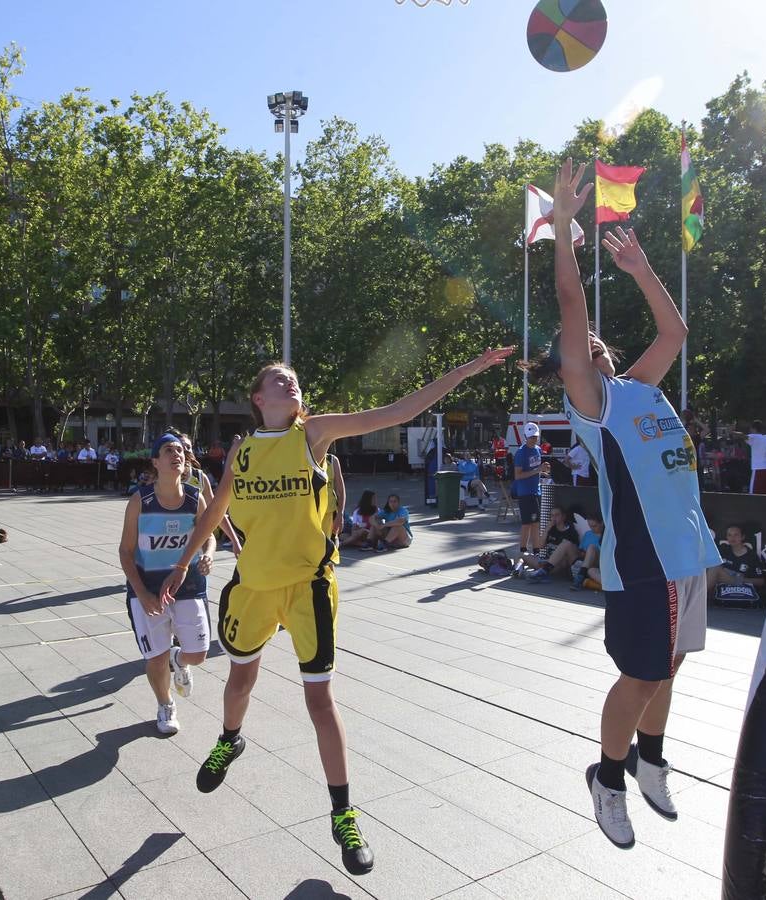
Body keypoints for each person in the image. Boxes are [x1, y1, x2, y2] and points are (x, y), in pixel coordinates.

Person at [159, 348, 512, 877]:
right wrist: (183, 563)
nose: (291, 384)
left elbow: (395, 413)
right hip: (255, 584)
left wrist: (466, 370)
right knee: (240, 682)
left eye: (295, 380)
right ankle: (230, 740)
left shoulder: (313, 434)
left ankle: (343, 813)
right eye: (280, 380)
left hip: (308, 587)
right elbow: (217, 508)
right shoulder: (245, 451)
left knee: (320, 700)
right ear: (259, 398)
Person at [534, 160, 721, 848]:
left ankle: (651, 757)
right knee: (642, 672)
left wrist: (641, 268)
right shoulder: (596, 404)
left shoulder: (642, 386)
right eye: (576, 346)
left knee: (668, 667)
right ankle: (607, 777)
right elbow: (570, 301)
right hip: (646, 559)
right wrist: (562, 230)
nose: (589, 339)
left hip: (688, 552)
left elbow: (673, 335)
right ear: (569, 367)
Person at [118, 434, 215, 734]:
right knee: (155, 657)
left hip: (188, 588)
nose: (176, 454)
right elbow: (125, 551)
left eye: (180, 450)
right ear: (156, 462)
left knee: (198, 655)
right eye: (167, 450)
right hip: (148, 592)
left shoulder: (193, 498)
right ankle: (165, 705)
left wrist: (209, 554)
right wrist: (141, 592)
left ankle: (180, 658)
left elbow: (209, 535)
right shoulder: (140, 500)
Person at [517, 505, 579, 581]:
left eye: (557, 515)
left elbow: (573, 553)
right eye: (552, 515)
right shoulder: (551, 529)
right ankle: (517, 570)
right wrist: (546, 530)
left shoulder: (570, 531)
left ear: (563, 516)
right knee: (523, 555)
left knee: (566, 544)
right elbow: (540, 546)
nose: (554, 518)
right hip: (547, 561)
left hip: (560, 564)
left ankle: (541, 572)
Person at [706, 524, 766, 602]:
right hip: (722, 584)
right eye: (729, 535)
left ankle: (696, 598)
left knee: (715, 569)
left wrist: (740, 579)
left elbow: (761, 582)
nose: (732, 538)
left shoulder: (751, 556)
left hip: (741, 586)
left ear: (742, 537)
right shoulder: (724, 550)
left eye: (736, 535)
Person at [512, 423, 543, 556]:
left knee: (536, 522)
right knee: (527, 523)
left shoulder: (538, 449)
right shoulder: (521, 452)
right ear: (525, 436)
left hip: (536, 490)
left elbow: (535, 470)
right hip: (525, 492)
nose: (533, 439)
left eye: (535, 437)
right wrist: (537, 470)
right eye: (531, 437)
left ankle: (536, 551)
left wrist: (543, 472)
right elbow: (518, 475)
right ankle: (523, 550)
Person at [736, 421, 766, 494]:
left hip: (758, 469)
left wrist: (732, 432)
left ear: (753, 429)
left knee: (755, 493)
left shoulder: (753, 437)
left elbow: (743, 435)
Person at [571, 513, 604, 590]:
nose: (592, 528)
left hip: (602, 563)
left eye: (594, 526)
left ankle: (581, 576)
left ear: (602, 523)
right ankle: (606, 587)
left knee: (591, 547)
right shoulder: (588, 534)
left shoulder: (607, 535)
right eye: (590, 526)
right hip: (589, 566)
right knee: (591, 571)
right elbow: (581, 551)